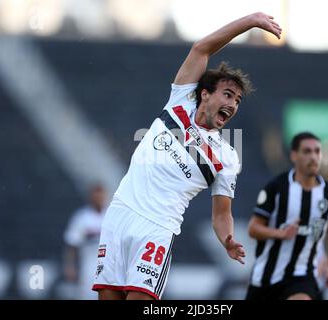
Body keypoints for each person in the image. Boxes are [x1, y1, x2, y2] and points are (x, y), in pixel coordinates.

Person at [92, 12, 282, 300]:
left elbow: (221, 214)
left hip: (157, 228)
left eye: (238, 100)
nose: (232, 104)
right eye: (228, 94)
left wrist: (227, 238)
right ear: (204, 94)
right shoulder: (180, 101)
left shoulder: (227, 156)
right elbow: (200, 49)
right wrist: (251, 21)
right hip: (120, 213)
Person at [246, 132, 328, 300]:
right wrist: (280, 233)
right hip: (266, 278)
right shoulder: (277, 188)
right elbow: (253, 229)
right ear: (294, 155)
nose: (313, 156)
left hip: (303, 276)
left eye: (317, 151)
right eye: (307, 151)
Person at [63, 184, 107, 299]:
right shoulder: (81, 217)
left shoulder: (111, 215)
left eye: (100, 195)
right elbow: (72, 244)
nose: (98, 198)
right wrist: (70, 266)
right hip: (88, 266)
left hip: (108, 266)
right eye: (96, 195)